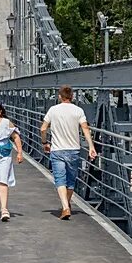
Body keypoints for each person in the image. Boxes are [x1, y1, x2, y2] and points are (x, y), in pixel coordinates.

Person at [40, 85, 98, 220]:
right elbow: (85, 129)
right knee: (70, 181)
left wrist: (44, 143)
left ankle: (65, 207)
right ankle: (67, 204)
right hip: (73, 150)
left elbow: (43, 129)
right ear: (72, 97)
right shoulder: (78, 110)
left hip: (57, 149)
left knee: (60, 179)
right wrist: (91, 147)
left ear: (59, 96)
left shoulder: (53, 110)